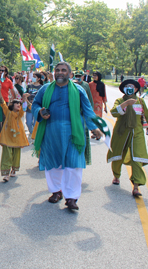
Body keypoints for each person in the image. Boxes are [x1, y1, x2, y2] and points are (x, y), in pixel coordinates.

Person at [32, 62, 103, 210]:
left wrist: (94, 127)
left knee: (73, 165)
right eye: (57, 70)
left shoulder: (78, 90)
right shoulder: (45, 89)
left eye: (63, 70)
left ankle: (71, 197)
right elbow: (35, 104)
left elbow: (88, 110)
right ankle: (56, 192)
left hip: (73, 134)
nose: (60, 72)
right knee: (53, 165)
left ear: (70, 74)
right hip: (51, 133)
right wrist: (40, 111)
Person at [108, 79, 148, 197]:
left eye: (132, 86)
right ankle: (116, 176)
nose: (129, 88)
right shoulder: (119, 100)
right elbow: (113, 113)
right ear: (123, 89)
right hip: (121, 133)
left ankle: (136, 186)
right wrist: (126, 104)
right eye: (127, 86)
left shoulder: (141, 101)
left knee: (137, 158)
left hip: (137, 134)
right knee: (118, 155)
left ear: (136, 89)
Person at [0, 86, 29, 182]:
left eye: (19, 104)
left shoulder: (20, 114)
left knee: (16, 155)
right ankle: (6, 174)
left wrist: (24, 99)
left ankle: (14, 171)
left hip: (17, 138)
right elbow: (2, 102)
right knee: (7, 155)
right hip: (7, 138)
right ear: (12, 105)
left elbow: (24, 107)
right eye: (16, 104)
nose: (18, 105)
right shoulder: (8, 112)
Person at [0, 65, 14, 135]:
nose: (1, 72)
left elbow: (12, 91)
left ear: (6, 72)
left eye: (3, 70)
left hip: (5, 100)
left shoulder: (9, 81)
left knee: (4, 117)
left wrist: (14, 100)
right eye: (0, 70)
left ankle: (4, 133)